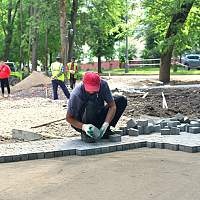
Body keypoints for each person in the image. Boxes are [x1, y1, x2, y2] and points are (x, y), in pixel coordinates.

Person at [66, 71, 127, 142]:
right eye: (89, 89)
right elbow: (69, 118)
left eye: (94, 89)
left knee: (121, 100)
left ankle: (104, 130)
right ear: (84, 83)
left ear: (99, 83)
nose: (92, 92)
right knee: (91, 104)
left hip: (97, 115)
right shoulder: (76, 94)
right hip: (82, 122)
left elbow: (112, 106)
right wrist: (84, 127)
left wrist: (106, 123)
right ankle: (88, 133)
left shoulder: (103, 85)